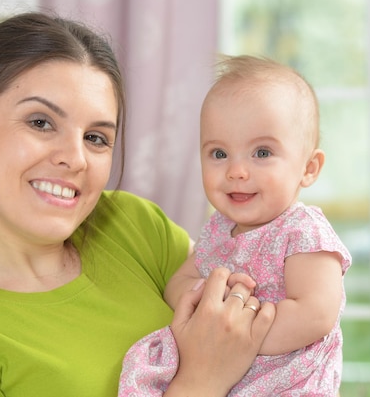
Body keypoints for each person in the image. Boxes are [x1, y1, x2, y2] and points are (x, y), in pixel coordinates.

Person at [0, 13, 277, 397]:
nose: (74, 159)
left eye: (96, 137)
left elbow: (261, 317)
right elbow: (219, 357)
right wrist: (201, 383)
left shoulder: (134, 225)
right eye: (41, 122)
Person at [119, 55, 352, 396]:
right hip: (214, 367)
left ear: (309, 168)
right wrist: (201, 306)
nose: (236, 171)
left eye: (261, 153)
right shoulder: (218, 228)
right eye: (218, 154)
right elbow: (180, 281)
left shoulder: (302, 230)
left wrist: (241, 337)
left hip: (284, 378)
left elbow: (316, 314)